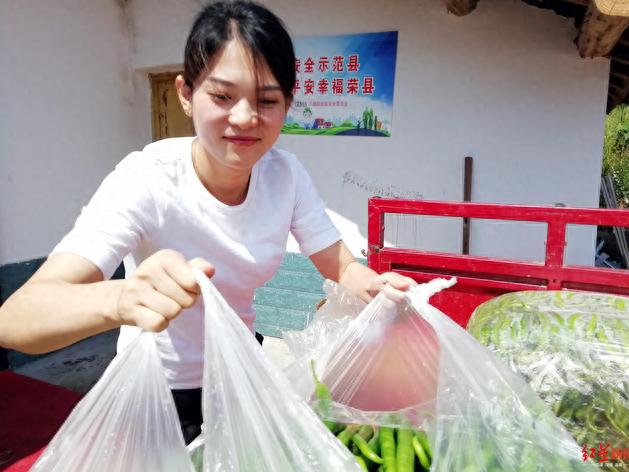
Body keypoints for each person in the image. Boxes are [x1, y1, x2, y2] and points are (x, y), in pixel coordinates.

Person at [0, 0, 414, 444]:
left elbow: (341, 265)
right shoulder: (148, 178)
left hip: (241, 377)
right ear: (185, 93)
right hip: (156, 396)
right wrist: (122, 298)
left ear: (288, 105)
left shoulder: (286, 176)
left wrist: (371, 285)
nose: (244, 117)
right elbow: (16, 319)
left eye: (267, 100)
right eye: (221, 96)